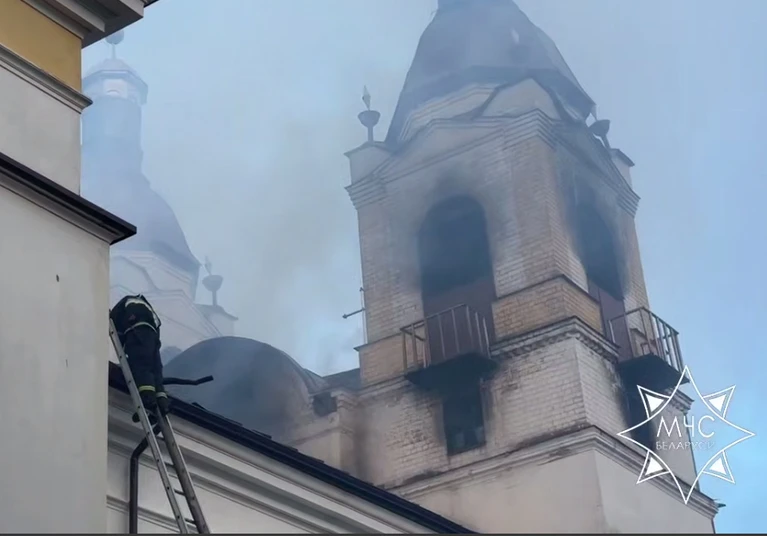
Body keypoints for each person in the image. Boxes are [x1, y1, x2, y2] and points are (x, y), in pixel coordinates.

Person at [110, 294, 169, 420]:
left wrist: (124, 348)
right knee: (155, 369)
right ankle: (162, 403)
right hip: (153, 339)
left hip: (137, 333)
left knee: (141, 367)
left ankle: (147, 400)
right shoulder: (145, 306)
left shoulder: (119, 310)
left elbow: (116, 333)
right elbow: (157, 326)